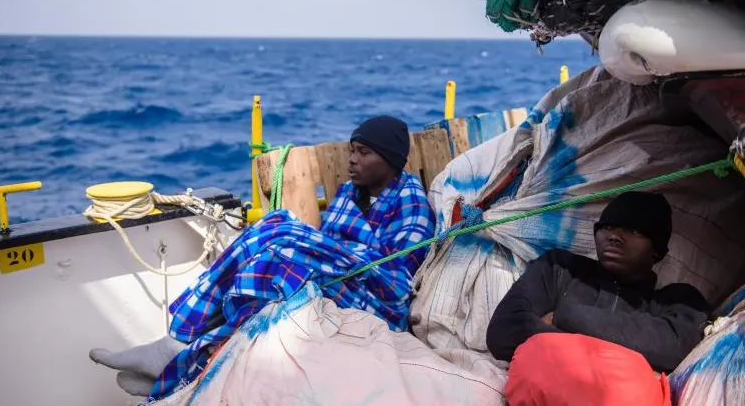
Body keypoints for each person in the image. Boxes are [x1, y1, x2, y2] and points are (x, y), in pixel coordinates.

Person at [90, 115, 436, 400]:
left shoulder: (410, 202)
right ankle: (180, 360)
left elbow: (397, 281)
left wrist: (332, 251)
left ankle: (175, 347)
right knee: (270, 257)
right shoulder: (350, 193)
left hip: (378, 302)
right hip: (338, 278)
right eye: (352, 150)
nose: (352, 159)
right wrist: (324, 251)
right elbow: (329, 245)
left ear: (389, 159)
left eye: (363, 152)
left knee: (278, 228)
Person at [486, 191, 709, 374]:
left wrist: (565, 317)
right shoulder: (559, 269)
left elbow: (676, 347)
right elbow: (503, 331)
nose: (614, 236)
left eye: (634, 230)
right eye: (608, 226)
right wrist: (619, 353)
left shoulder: (677, 300)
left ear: (658, 251)